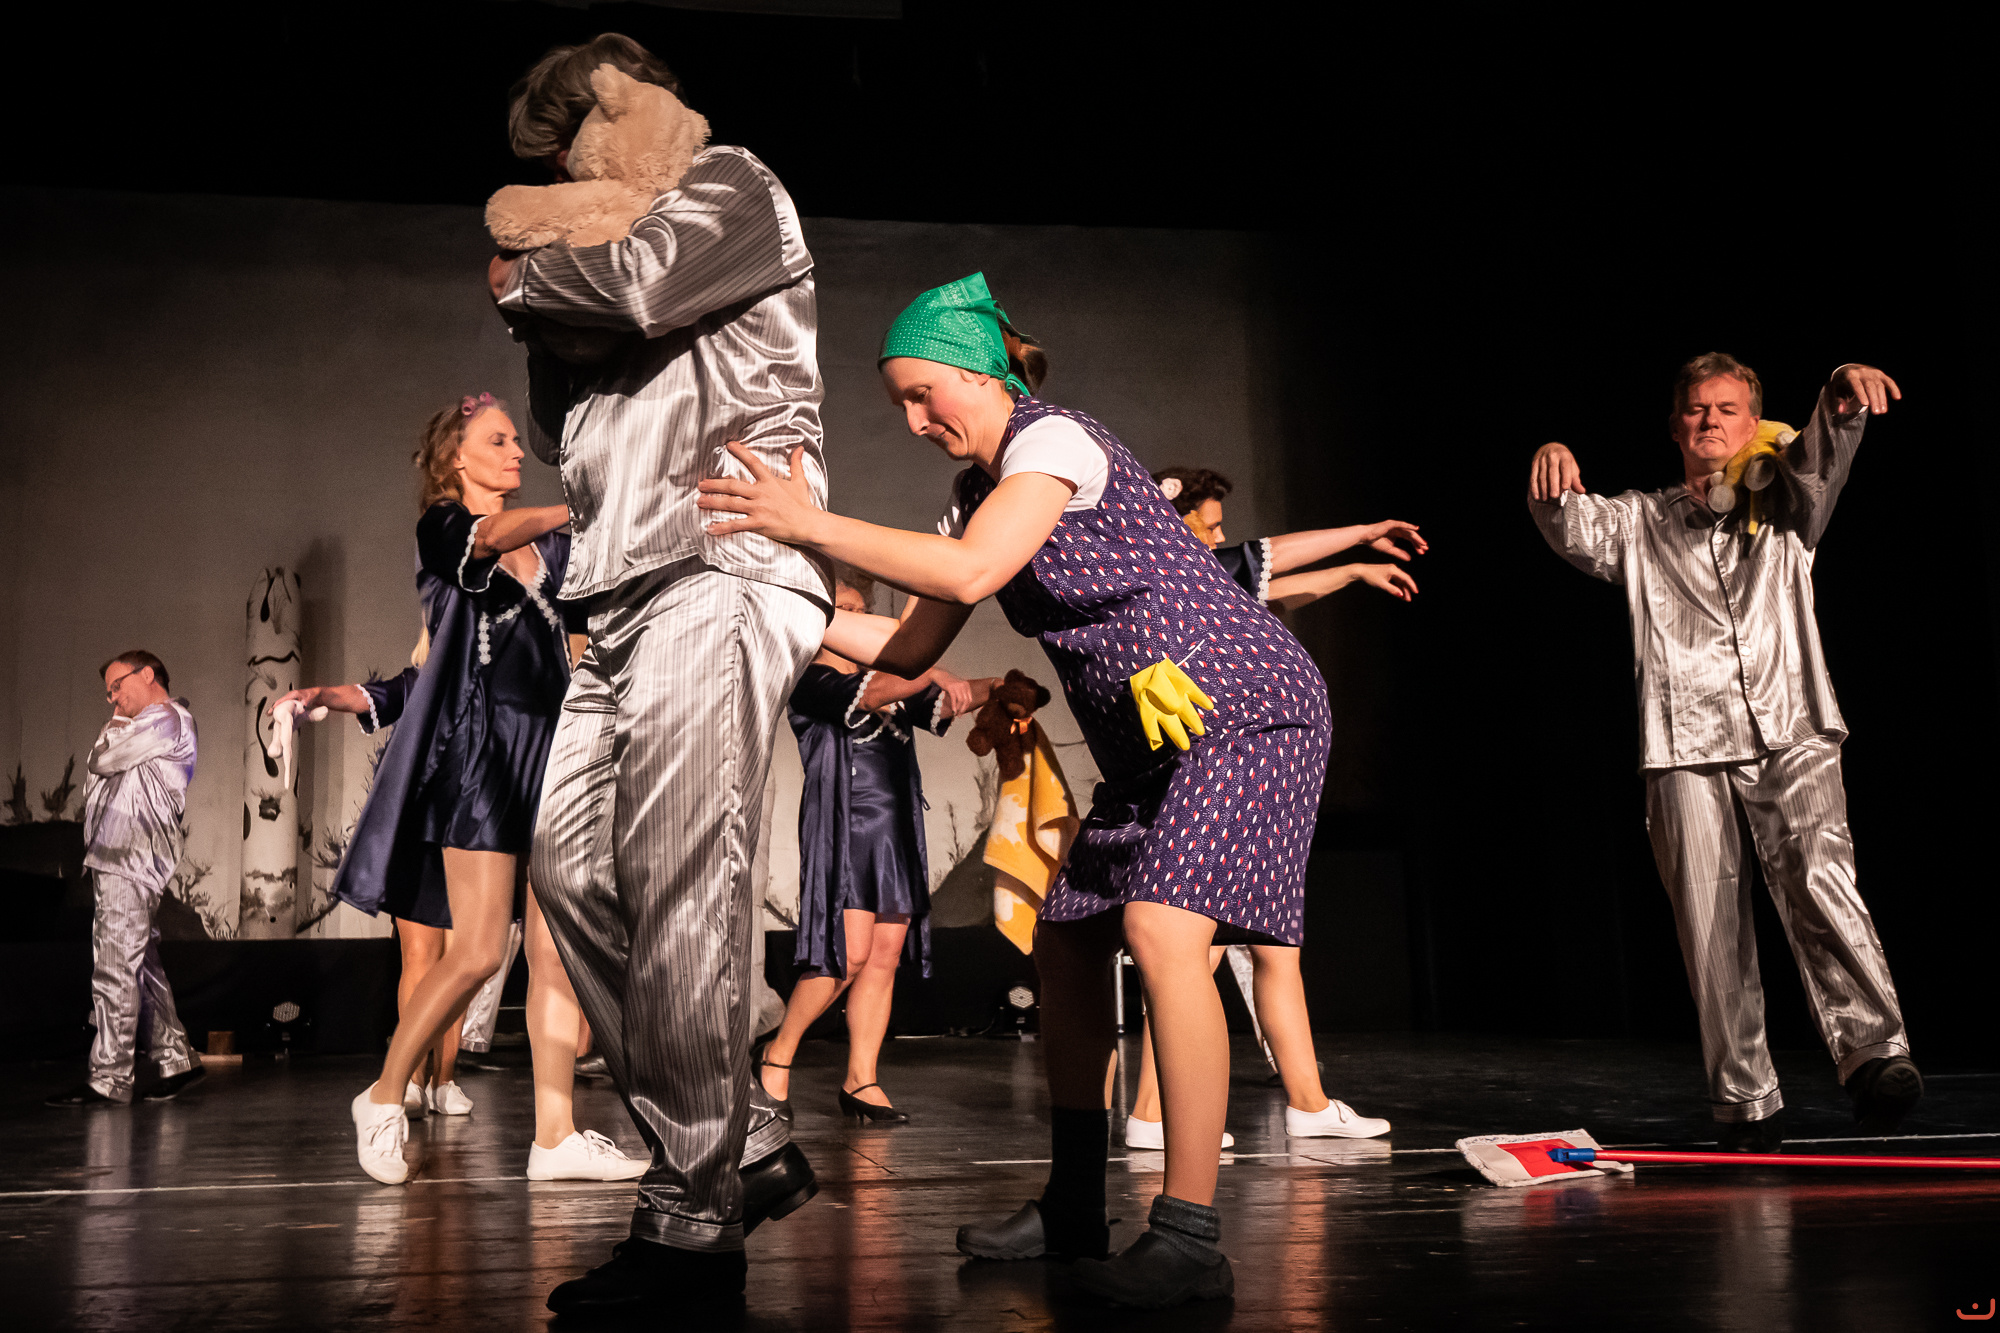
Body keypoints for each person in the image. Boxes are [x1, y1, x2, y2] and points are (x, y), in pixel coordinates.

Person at [698, 271, 1333, 1308]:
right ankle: (1074, 1206)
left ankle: (1188, 1237)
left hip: (1246, 710)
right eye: (899, 405)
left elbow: (968, 575)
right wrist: (766, 603)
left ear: (983, 371)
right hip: (1152, 742)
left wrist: (808, 524)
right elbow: (910, 648)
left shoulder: (1055, 443)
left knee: (1163, 932)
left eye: (922, 394)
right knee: (1067, 943)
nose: (914, 422)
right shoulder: (970, 496)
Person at [489, 33, 831, 1315]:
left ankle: (692, 1232)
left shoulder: (729, 181)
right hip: (617, 587)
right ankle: (743, 1138)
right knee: (571, 869)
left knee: (683, 885)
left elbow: (636, 291)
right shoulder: (580, 242)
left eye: (579, 132)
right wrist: (539, 295)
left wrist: (522, 274)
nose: (570, 162)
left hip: (717, 560)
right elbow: (554, 427)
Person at [1527, 353, 1919, 1150]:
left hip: (1792, 722)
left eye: (1727, 408)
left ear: (1753, 421)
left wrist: (1841, 392)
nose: (1710, 419)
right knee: (1709, 922)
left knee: (1822, 880)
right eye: (1697, 409)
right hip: (1684, 738)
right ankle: (1747, 1101)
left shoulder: (1789, 501)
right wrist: (1552, 465)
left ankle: (1875, 1055)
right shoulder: (1642, 521)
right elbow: (1573, 525)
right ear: (1676, 427)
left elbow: (1824, 454)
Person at [276, 395, 645, 1186]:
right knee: (476, 948)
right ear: (456, 456)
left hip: (551, 753)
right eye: (497, 439)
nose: (515, 451)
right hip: (480, 755)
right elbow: (487, 541)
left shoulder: (554, 548)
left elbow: (587, 627)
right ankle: (383, 1094)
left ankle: (555, 1135)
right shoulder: (445, 528)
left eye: (516, 439)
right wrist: (578, 505)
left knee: (554, 953)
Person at [1120, 468, 1421, 1147]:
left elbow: (1273, 584)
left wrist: (1355, 569)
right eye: (1211, 525)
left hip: (1246, 769)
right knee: (1197, 946)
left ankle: (1308, 1102)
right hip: (1220, 765)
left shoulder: (1195, 582)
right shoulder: (1172, 566)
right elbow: (1273, 556)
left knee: (1272, 944)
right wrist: (1363, 535)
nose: (1220, 536)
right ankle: (1152, 1112)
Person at [757, 571, 996, 1123]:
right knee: (848, 955)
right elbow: (879, 693)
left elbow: (947, 701)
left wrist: (1001, 686)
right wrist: (928, 666)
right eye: (847, 611)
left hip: (894, 829)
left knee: (884, 955)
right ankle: (777, 1055)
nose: (860, 622)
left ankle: (861, 1079)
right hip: (846, 826)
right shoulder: (809, 677)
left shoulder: (889, 678)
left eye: (864, 612)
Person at [47, 653, 204, 1107]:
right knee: (138, 964)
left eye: (117, 685)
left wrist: (113, 729)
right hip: (119, 856)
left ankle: (110, 1078)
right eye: (109, 691)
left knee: (115, 967)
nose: (112, 698)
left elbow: (104, 760)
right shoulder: (144, 725)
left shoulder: (167, 718)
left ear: (147, 674)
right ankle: (179, 1059)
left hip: (130, 858)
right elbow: (104, 764)